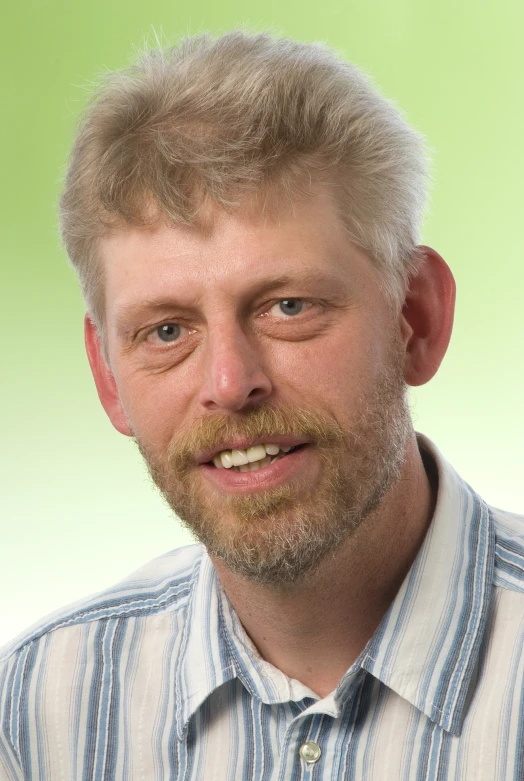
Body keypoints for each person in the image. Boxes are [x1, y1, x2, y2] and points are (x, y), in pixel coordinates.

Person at [0, 30, 522, 781]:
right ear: (109, 377)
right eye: (167, 330)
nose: (229, 381)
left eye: (287, 305)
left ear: (418, 319)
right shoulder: (36, 714)